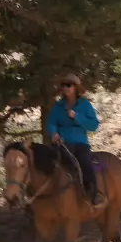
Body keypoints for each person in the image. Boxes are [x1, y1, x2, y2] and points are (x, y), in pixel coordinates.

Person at [47, 74, 102, 205]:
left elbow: (94, 125)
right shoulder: (59, 106)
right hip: (62, 142)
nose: (65, 88)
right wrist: (54, 133)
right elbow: (52, 122)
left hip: (80, 142)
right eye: (63, 85)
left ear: (76, 87)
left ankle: (93, 193)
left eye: (69, 85)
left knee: (84, 163)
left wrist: (77, 116)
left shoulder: (85, 105)